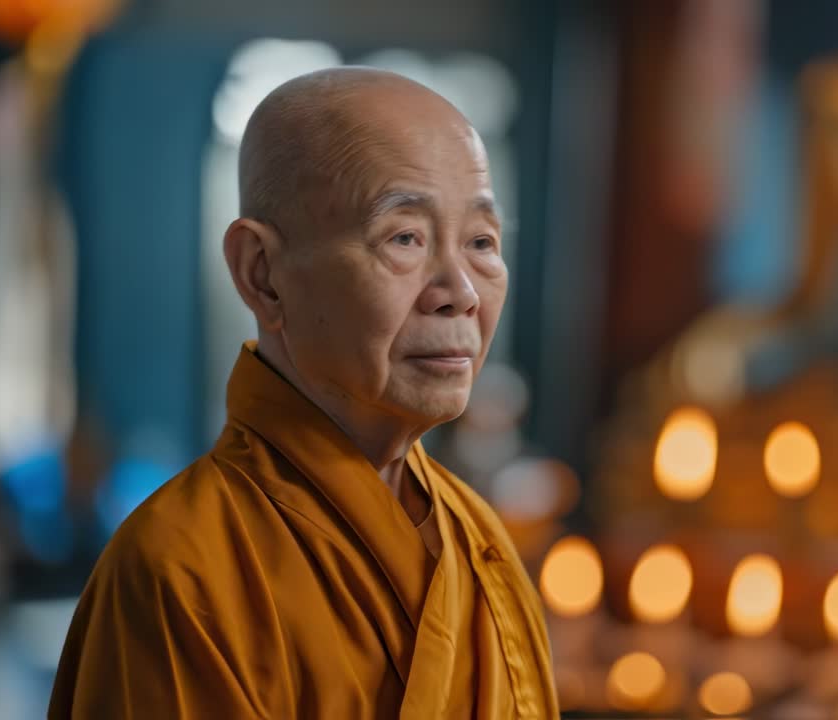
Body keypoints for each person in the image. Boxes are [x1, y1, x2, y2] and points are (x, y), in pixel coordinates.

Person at [49, 67, 558, 719]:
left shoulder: (481, 545)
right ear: (262, 274)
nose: (459, 290)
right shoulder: (183, 569)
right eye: (405, 237)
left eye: (482, 242)